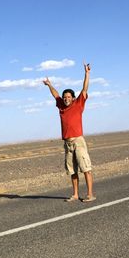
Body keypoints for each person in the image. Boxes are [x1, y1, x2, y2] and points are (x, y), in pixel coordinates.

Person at [43, 63, 96, 202]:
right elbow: (55, 94)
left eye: (68, 97)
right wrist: (49, 84)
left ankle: (90, 194)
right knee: (72, 170)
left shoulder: (78, 104)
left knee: (86, 168)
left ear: (73, 98)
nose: (66, 99)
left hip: (78, 141)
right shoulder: (61, 105)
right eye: (64, 97)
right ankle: (75, 194)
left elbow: (84, 89)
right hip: (67, 144)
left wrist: (87, 73)